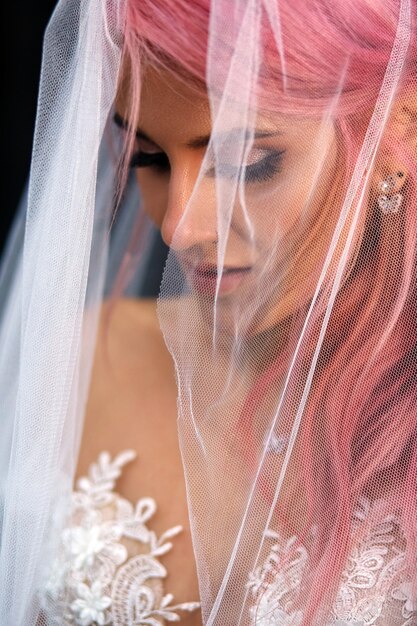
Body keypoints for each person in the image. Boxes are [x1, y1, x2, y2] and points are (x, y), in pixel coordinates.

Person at [0, 0, 415, 624]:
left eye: (249, 164)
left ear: (400, 128)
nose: (179, 228)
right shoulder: (73, 365)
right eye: (148, 158)